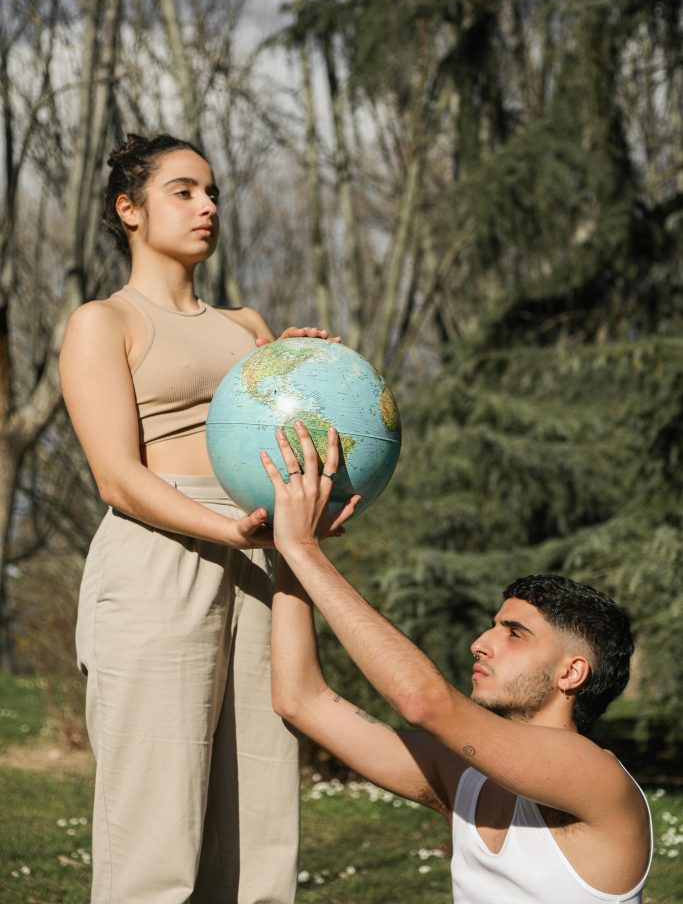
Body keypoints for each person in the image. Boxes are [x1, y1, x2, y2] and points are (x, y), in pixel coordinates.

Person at [59, 133, 337, 904]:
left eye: (212, 192)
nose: (207, 205)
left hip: (259, 556)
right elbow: (117, 477)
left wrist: (311, 378)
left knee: (258, 828)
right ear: (130, 210)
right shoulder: (103, 322)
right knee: (155, 835)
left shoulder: (248, 327)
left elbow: (277, 432)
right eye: (183, 191)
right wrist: (228, 531)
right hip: (158, 557)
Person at [262, 422, 654, 903]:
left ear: (571, 673)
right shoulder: (464, 778)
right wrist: (287, 552)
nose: (480, 643)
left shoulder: (597, 778)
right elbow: (301, 700)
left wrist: (307, 550)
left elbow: (423, 702)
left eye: (515, 633)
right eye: (493, 626)